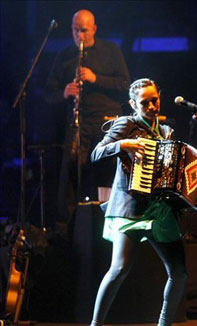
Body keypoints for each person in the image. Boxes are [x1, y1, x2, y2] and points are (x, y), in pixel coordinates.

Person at [83, 78, 187, 326]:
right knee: (119, 269)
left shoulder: (165, 130)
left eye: (155, 99)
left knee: (179, 272)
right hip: (130, 208)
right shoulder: (126, 125)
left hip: (159, 209)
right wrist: (124, 144)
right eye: (145, 102)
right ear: (133, 104)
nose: (152, 105)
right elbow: (96, 153)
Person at [45, 9, 130, 222]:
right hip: (77, 126)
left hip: (106, 123)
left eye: (83, 30)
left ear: (94, 29)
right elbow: (48, 93)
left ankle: (108, 222)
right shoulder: (64, 55)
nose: (79, 36)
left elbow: (125, 85)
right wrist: (64, 92)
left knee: (105, 175)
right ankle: (74, 228)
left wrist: (95, 78)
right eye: (75, 30)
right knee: (72, 177)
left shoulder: (111, 50)